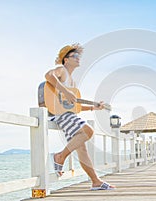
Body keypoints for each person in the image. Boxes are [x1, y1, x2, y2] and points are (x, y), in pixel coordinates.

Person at [44, 43, 115, 190]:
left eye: (78, 56)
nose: (78, 58)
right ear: (65, 60)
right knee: (88, 131)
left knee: (82, 148)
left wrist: (92, 107)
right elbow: (48, 75)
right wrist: (65, 91)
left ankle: (96, 181)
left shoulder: (72, 82)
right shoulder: (61, 70)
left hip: (67, 114)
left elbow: (73, 107)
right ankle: (60, 156)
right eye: (74, 56)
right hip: (60, 115)